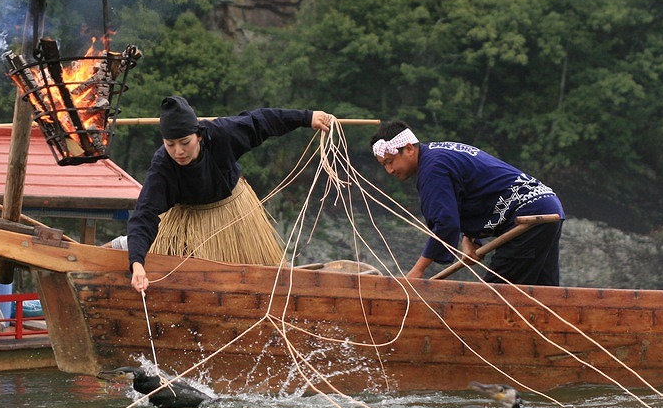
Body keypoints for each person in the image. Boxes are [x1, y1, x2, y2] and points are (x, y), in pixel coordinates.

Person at [127, 96, 333, 292]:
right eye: (170, 144)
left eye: (185, 142)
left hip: (232, 213)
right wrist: (137, 264)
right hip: (185, 220)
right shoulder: (162, 165)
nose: (178, 151)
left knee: (257, 285)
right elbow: (145, 213)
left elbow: (262, 120)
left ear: (198, 135)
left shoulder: (222, 134)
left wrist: (307, 117)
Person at [370, 120, 564, 286]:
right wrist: (470, 239)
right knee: (544, 293)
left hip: (528, 215)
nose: (390, 170)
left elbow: (446, 223)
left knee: (495, 299)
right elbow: (474, 192)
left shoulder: (433, 168)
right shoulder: (439, 154)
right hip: (546, 205)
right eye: (384, 165)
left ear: (409, 149)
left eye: (390, 161)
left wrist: (417, 271)